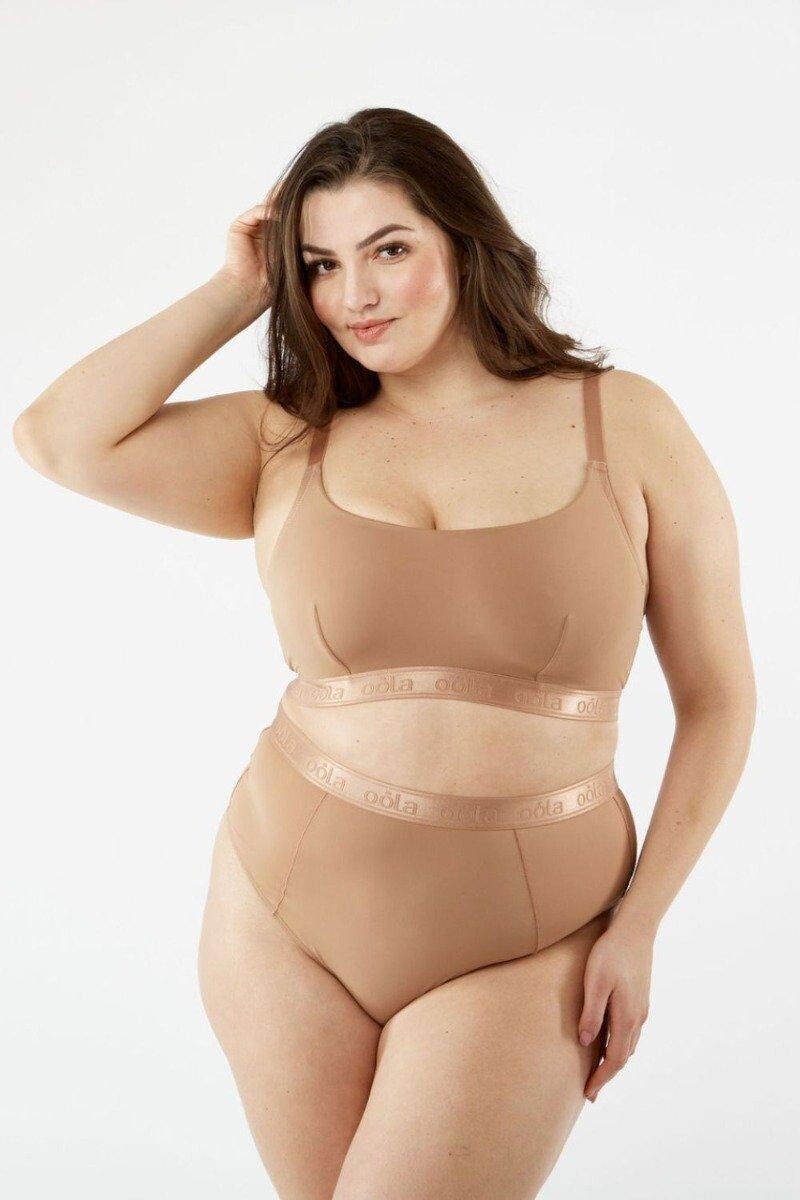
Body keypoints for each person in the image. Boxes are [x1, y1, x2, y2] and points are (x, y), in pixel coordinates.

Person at [13, 107, 756, 1199]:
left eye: (389, 250)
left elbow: (719, 701)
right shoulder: (286, 434)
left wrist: (639, 927)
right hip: (285, 912)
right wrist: (234, 288)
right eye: (320, 264)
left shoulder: (626, 423)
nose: (354, 295)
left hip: (534, 933)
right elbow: (56, 438)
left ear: (463, 240)